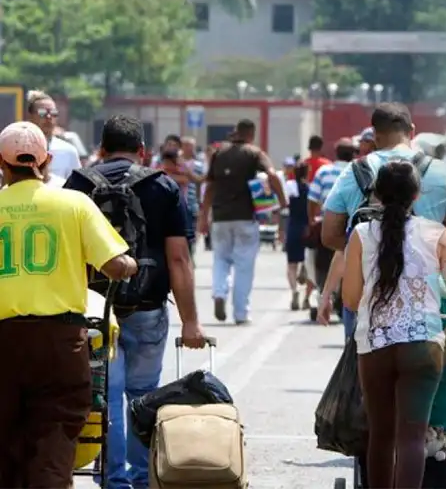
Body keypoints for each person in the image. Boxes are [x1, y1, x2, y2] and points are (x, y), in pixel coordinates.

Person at [64, 114, 207, 489]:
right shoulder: (162, 186)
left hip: (95, 311)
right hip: (147, 308)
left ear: (101, 149)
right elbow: (179, 258)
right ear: (142, 150)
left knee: (106, 398)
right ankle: (142, 479)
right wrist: (191, 321)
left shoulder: (78, 184)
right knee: (143, 396)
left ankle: (114, 481)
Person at [0, 121, 137, 488]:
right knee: (55, 437)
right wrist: (130, 264)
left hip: (3, 343)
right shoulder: (74, 204)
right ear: (45, 161)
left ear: (2, 163)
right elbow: (115, 264)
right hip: (60, 342)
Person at [341, 160, 446, 489]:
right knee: (412, 436)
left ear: (375, 194)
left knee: (381, 435)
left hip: (375, 346)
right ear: (417, 195)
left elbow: (349, 300)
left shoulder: (361, 235)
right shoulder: (437, 234)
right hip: (423, 347)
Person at [321, 104, 446, 336]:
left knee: (360, 364)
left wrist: (372, 247)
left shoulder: (353, 172)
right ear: (412, 130)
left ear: (375, 135)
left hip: (366, 301)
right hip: (425, 300)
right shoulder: (442, 172)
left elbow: (329, 234)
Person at [198, 119, 286, 324]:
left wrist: (204, 216)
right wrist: (282, 201)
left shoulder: (219, 153)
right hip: (246, 217)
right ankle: (241, 313)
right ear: (251, 134)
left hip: (220, 217)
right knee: (244, 266)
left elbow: (209, 186)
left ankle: (219, 293)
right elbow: (272, 175)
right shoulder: (254, 153)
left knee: (220, 259)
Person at [309, 138, 355, 319]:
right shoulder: (358, 171)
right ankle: (340, 299)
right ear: (354, 153)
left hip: (326, 224)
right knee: (348, 261)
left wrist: (312, 220)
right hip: (351, 226)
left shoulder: (324, 171)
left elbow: (312, 198)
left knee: (322, 264)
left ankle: (324, 294)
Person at [25, 90, 82, 179]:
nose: (49, 117)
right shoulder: (19, 149)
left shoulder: (69, 151)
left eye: (53, 113)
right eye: (42, 113)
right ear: (30, 116)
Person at [284, 162, 310, 311]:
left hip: (293, 226)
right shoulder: (310, 188)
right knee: (307, 258)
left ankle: (294, 291)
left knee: (291, 264)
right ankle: (304, 270)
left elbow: (285, 204)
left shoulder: (290, 186)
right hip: (306, 228)